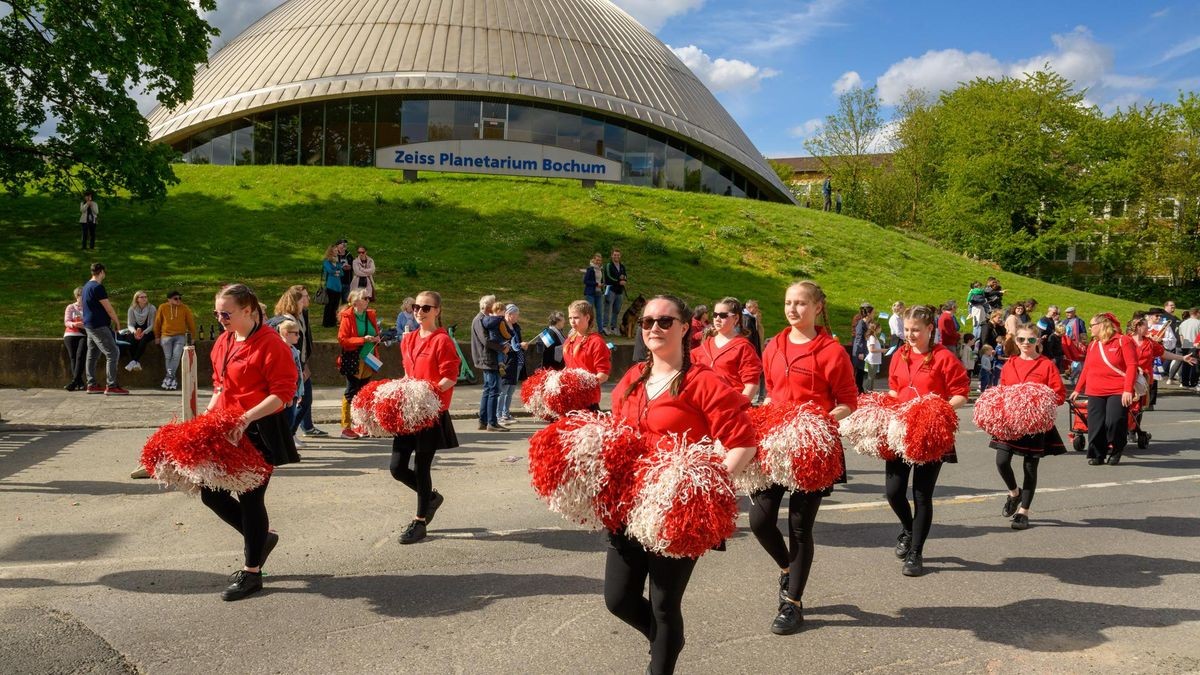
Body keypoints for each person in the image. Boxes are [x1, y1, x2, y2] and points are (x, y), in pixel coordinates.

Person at [608, 295, 757, 674]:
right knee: (619, 599)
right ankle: (666, 640)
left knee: (663, 604)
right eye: (646, 323)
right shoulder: (631, 379)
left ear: (685, 327)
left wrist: (701, 489)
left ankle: (662, 657)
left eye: (664, 321)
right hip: (629, 504)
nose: (653, 329)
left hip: (678, 508)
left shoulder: (702, 381)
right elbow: (616, 435)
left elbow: (743, 443)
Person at [753, 280, 856, 634]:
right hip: (778, 443)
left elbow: (848, 402)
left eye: (800, 303)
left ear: (816, 308)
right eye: (787, 302)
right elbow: (772, 394)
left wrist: (817, 422)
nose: (792, 309)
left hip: (813, 446)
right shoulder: (773, 347)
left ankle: (792, 603)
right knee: (759, 521)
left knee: (799, 525)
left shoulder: (832, 352)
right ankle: (787, 569)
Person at [201, 283, 298, 601]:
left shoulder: (272, 344)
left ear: (248, 310)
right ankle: (260, 538)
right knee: (210, 494)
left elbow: (282, 395)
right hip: (227, 429)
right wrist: (205, 421)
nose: (220, 318)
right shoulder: (223, 342)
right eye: (216, 313)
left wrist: (246, 418)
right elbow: (220, 387)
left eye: (226, 313)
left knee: (250, 499)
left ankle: (252, 572)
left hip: (260, 430)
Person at [886, 305, 969, 576]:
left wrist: (939, 410)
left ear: (930, 329)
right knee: (894, 491)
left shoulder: (944, 357)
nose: (910, 335)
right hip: (902, 430)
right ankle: (909, 530)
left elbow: (960, 393)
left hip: (931, 433)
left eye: (916, 330)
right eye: (907, 330)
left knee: (922, 495)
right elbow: (894, 387)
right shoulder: (900, 354)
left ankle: (916, 553)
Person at [392, 290, 461, 545]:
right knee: (397, 468)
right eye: (416, 307)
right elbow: (408, 373)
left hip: (430, 411)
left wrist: (426, 391)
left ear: (437, 311)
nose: (419, 311)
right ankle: (431, 498)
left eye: (426, 308)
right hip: (409, 411)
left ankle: (420, 521)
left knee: (422, 468)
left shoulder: (443, 341)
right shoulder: (407, 339)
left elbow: (450, 377)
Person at [989, 324, 1067, 530]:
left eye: (1031, 340)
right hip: (1011, 422)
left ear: (1038, 341)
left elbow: (1059, 395)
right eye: (1022, 340)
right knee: (1002, 460)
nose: (1026, 344)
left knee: (1030, 467)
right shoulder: (1010, 364)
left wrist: (1038, 400)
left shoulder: (1046, 365)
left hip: (1035, 423)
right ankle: (1014, 493)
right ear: (1016, 341)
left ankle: (1024, 511)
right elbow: (1002, 390)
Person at [1071, 313, 1136, 466]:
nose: (1089, 329)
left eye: (1091, 325)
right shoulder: (1093, 344)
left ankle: (1116, 449)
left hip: (1118, 389)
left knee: (1114, 421)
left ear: (1101, 325)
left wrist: (1128, 389)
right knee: (1096, 424)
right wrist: (1077, 389)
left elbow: (1132, 366)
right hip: (1095, 389)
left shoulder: (1123, 341)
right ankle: (1097, 453)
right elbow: (1087, 368)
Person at [270, 285, 325, 439]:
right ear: (296, 301)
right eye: (304, 297)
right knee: (298, 400)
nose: (308, 299)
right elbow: (289, 346)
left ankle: (294, 432)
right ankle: (289, 434)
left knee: (302, 399)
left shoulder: (301, 315)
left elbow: (304, 342)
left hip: (300, 363)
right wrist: (299, 367)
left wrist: (305, 363)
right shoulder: (287, 320)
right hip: (292, 366)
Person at [690, 297, 761, 402]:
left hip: (729, 407)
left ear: (736, 318)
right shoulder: (705, 346)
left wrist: (738, 408)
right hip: (701, 406)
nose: (717, 319)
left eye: (723, 316)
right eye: (715, 315)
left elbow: (751, 384)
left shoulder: (743, 347)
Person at [336, 289, 380, 439]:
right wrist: (362, 339)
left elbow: (376, 332)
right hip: (354, 358)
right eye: (364, 298)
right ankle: (346, 427)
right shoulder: (347, 316)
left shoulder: (370, 314)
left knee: (364, 392)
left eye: (368, 298)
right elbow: (343, 340)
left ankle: (361, 424)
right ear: (355, 302)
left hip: (368, 358)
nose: (368, 300)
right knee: (351, 392)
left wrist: (377, 338)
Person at [81, 263, 127, 395]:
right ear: (101, 272)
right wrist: (117, 321)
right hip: (99, 326)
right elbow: (108, 308)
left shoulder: (85, 287)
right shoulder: (97, 287)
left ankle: (91, 385)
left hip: (89, 325)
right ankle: (111, 386)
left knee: (92, 354)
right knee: (113, 352)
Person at [563, 299, 611, 411]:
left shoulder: (596, 342)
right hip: (569, 399)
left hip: (588, 400)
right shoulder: (569, 341)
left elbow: (603, 375)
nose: (572, 321)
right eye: (570, 318)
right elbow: (569, 368)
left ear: (587, 318)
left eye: (576, 317)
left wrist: (581, 385)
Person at [471, 294, 508, 431]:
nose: (495, 306)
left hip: (486, 359)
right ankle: (491, 423)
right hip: (488, 359)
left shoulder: (482, 319)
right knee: (494, 390)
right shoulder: (481, 319)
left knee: (488, 390)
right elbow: (486, 341)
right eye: (493, 304)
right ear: (488, 307)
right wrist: (502, 348)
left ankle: (484, 420)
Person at [153, 290, 197, 391]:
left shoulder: (184, 308)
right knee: (168, 357)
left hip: (180, 336)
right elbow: (158, 322)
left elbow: (190, 322)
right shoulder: (162, 307)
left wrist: (193, 336)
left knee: (176, 356)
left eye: (180, 298)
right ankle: (171, 379)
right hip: (166, 336)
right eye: (175, 299)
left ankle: (169, 378)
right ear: (169, 299)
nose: (178, 300)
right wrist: (157, 336)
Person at [497, 304, 528, 425]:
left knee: (511, 390)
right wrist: (520, 345)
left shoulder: (516, 327)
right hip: (507, 361)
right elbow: (505, 345)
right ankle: (498, 415)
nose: (517, 317)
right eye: (516, 315)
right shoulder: (502, 327)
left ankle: (506, 413)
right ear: (509, 314)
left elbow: (517, 343)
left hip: (518, 361)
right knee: (504, 389)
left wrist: (522, 345)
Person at [275, 319, 304, 432]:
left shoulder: (293, 349)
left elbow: (297, 371)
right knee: (287, 421)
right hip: (288, 392)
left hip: (294, 391)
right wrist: (289, 395)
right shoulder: (282, 349)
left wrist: (299, 391)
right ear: (286, 333)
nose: (298, 336)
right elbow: (284, 374)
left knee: (290, 421)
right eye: (296, 333)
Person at [122, 291, 156, 373]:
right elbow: (130, 324)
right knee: (130, 340)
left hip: (148, 331)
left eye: (146, 297)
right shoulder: (132, 309)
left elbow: (152, 325)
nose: (145, 299)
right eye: (142, 297)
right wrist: (134, 332)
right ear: (137, 299)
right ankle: (136, 363)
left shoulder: (152, 308)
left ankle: (133, 361)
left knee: (143, 340)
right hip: (135, 331)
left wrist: (143, 333)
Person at [63, 287, 87, 391]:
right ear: (77, 296)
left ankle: (74, 382)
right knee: (73, 357)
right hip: (71, 334)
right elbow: (67, 321)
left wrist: (84, 324)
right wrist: (74, 324)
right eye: (81, 295)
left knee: (80, 355)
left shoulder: (89, 307)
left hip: (84, 334)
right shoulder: (71, 307)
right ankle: (79, 382)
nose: (83, 297)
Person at [601, 249, 628, 336]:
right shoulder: (608, 265)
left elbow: (625, 275)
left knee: (616, 309)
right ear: (612, 256)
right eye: (615, 255)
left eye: (618, 255)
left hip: (619, 291)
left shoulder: (622, 266)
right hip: (610, 290)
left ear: (620, 256)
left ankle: (613, 327)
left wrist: (624, 280)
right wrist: (618, 282)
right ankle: (604, 326)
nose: (616, 256)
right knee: (607, 308)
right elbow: (608, 277)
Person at [851, 303, 875, 393]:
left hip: (863, 350)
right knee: (859, 371)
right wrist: (860, 352)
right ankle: (858, 389)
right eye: (873, 312)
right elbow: (858, 338)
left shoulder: (866, 322)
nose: (874, 314)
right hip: (859, 351)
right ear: (868, 313)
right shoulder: (861, 323)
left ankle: (859, 389)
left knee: (861, 371)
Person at [321, 244, 344, 328]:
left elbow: (342, 273)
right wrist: (336, 271)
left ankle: (333, 321)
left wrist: (337, 271)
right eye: (335, 251)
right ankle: (326, 322)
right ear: (330, 252)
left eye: (337, 251)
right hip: (330, 286)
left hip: (338, 287)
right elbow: (330, 271)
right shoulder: (326, 261)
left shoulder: (337, 262)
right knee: (329, 305)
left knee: (335, 305)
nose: (336, 252)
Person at [582, 252, 605, 333]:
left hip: (599, 293)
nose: (598, 261)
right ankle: (588, 329)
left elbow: (600, 280)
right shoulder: (590, 269)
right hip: (591, 293)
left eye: (600, 260)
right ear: (594, 259)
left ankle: (600, 330)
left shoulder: (601, 269)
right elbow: (585, 281)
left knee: (599, 312)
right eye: (597, 260)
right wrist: (596, 284)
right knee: (589, 312)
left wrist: (602, 285)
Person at [1037, 305, 1063, 371]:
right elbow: (1039, 334)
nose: (1055, 314)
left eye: (1056, 313)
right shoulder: (1043, 320)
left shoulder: (1051, 320)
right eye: (1054, 312)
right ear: (1049, 311)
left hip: (1050, 344)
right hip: (1044, 345)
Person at [1179, 308, 1200, 389]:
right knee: (1195, 364)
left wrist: (1182, 344)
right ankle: (1193, 382)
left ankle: (1184, 382)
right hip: (1195, 345)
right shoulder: (1198, 323)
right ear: (1197, 313)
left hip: (1185, 344)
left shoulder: (1183, 323)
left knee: (1185, 364)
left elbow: (1181, 335)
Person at [864, 321, 883, 391]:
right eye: (879, 327)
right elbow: (872, 349)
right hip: (872, 360)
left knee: (872, 376)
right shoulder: (872, 337)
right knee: (870, 377)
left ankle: (870, 390)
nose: (880, 329)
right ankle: (867, 390)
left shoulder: (874, 337)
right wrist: (883, 350)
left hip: (875, 360)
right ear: (876, 328)